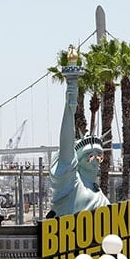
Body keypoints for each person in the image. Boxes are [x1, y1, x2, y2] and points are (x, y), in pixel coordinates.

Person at [47, 47, 109, 217]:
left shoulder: (98, 192)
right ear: (78, 160)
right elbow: (67, 147)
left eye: (100, 156)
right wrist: (70, 105)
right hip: (69, 241)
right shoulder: (71, 182)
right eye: (91, 156)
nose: (96, 160)